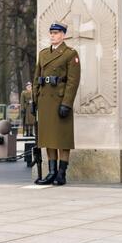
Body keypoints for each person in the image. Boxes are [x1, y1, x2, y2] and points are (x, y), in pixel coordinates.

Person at [32, 21, 81, 186]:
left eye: (56, 33)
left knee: (62, 139)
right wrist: (34, 100)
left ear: (63, 35)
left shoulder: (70, 54)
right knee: (49, 139)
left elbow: (73, 82)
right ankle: (51, 172)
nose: (53, 36)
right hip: (45, 101)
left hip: (60, 101)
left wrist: (67, 103)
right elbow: (37, 78)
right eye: (51, 33)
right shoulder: (43, 54)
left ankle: (61, 173)